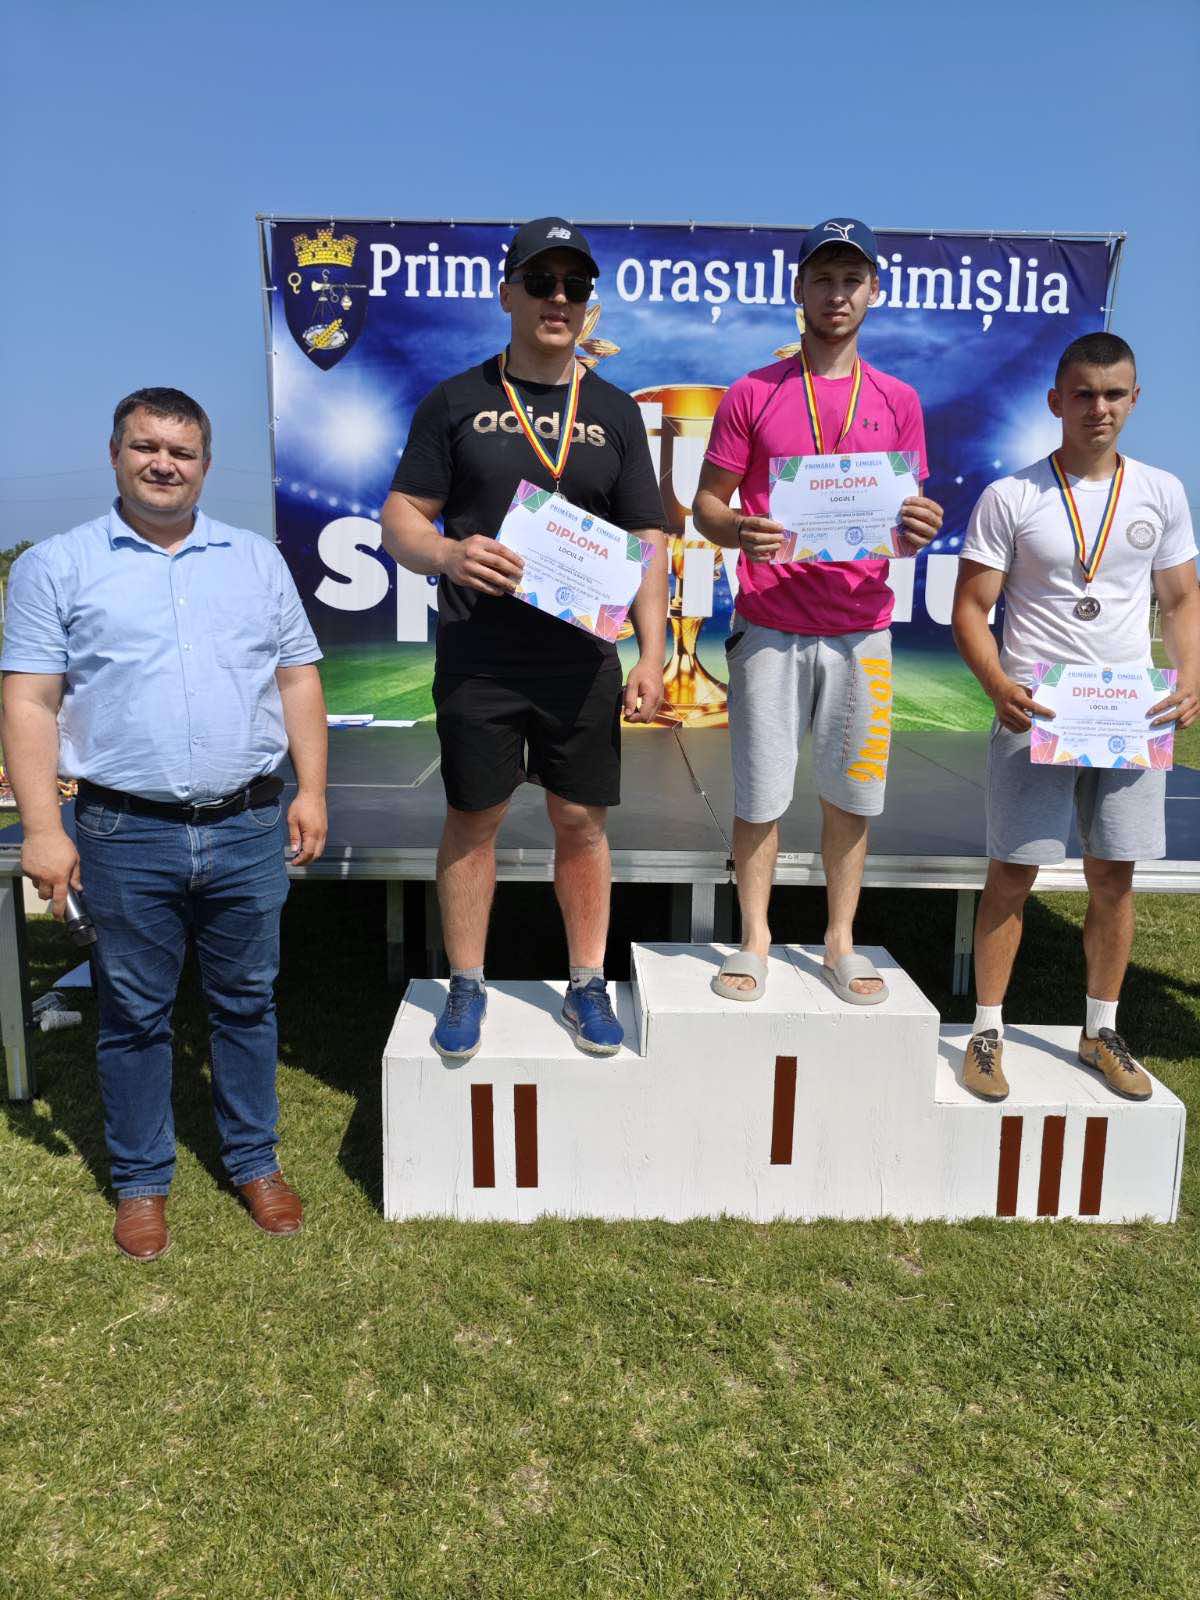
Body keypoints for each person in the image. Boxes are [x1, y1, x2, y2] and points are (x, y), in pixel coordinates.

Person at [1, 388, 328, 1260]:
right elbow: (29, 701)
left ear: (205, 466)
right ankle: (142, 1180)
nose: (163, 464)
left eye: (181, 452)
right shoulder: (57, 566)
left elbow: (297, 677)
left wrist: (312, 790)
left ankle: (254, 1161)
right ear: (114, 454)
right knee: (134, 1012)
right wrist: (43, 829)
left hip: (248, 822)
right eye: (146, 446)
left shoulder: (256, 562)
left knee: (247, 1002)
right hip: (122, 830)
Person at [382, 218, 667, 1061]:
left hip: (583, 660)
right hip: (482, 653)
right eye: (540, 282)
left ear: (588, 304)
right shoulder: (455, 401)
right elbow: (401, 517)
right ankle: (467, 982)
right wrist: (446, 554)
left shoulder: (615, 411)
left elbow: (647, 540)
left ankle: (587, 982)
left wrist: (652, 654)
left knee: (581, 819)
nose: (558, 298)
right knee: (474, 817)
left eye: (574, 286)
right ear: (507, 293)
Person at [692, 218, 943, 1003]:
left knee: (852, 794)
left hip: (861, 627)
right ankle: (755, 939)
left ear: (875, 290)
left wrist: (919, 526)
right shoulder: (752, 392)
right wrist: (739, 528)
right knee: (760, 793)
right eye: (823, 279)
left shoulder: (899, 400)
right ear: (798, 288)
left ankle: (840, 940)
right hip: (770, 622)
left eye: (851, 279)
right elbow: (706, 507)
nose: (837, 294)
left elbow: (904, 519)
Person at [952, 332, 1199, 1101]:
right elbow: (970, 606)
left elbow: (1181, 599)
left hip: (1129, 713)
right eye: (1085, 393)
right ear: (1056, 400)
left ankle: (1101, 1031)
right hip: (1039, 710)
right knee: (1012, 874)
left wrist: (1191, 675)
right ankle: (986, 1033)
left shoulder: (1161, 492)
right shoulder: (1012, 496)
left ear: (1134, 400)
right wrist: (997, 684)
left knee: (1114, 878)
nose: (1100, 407)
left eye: (1115, 393)